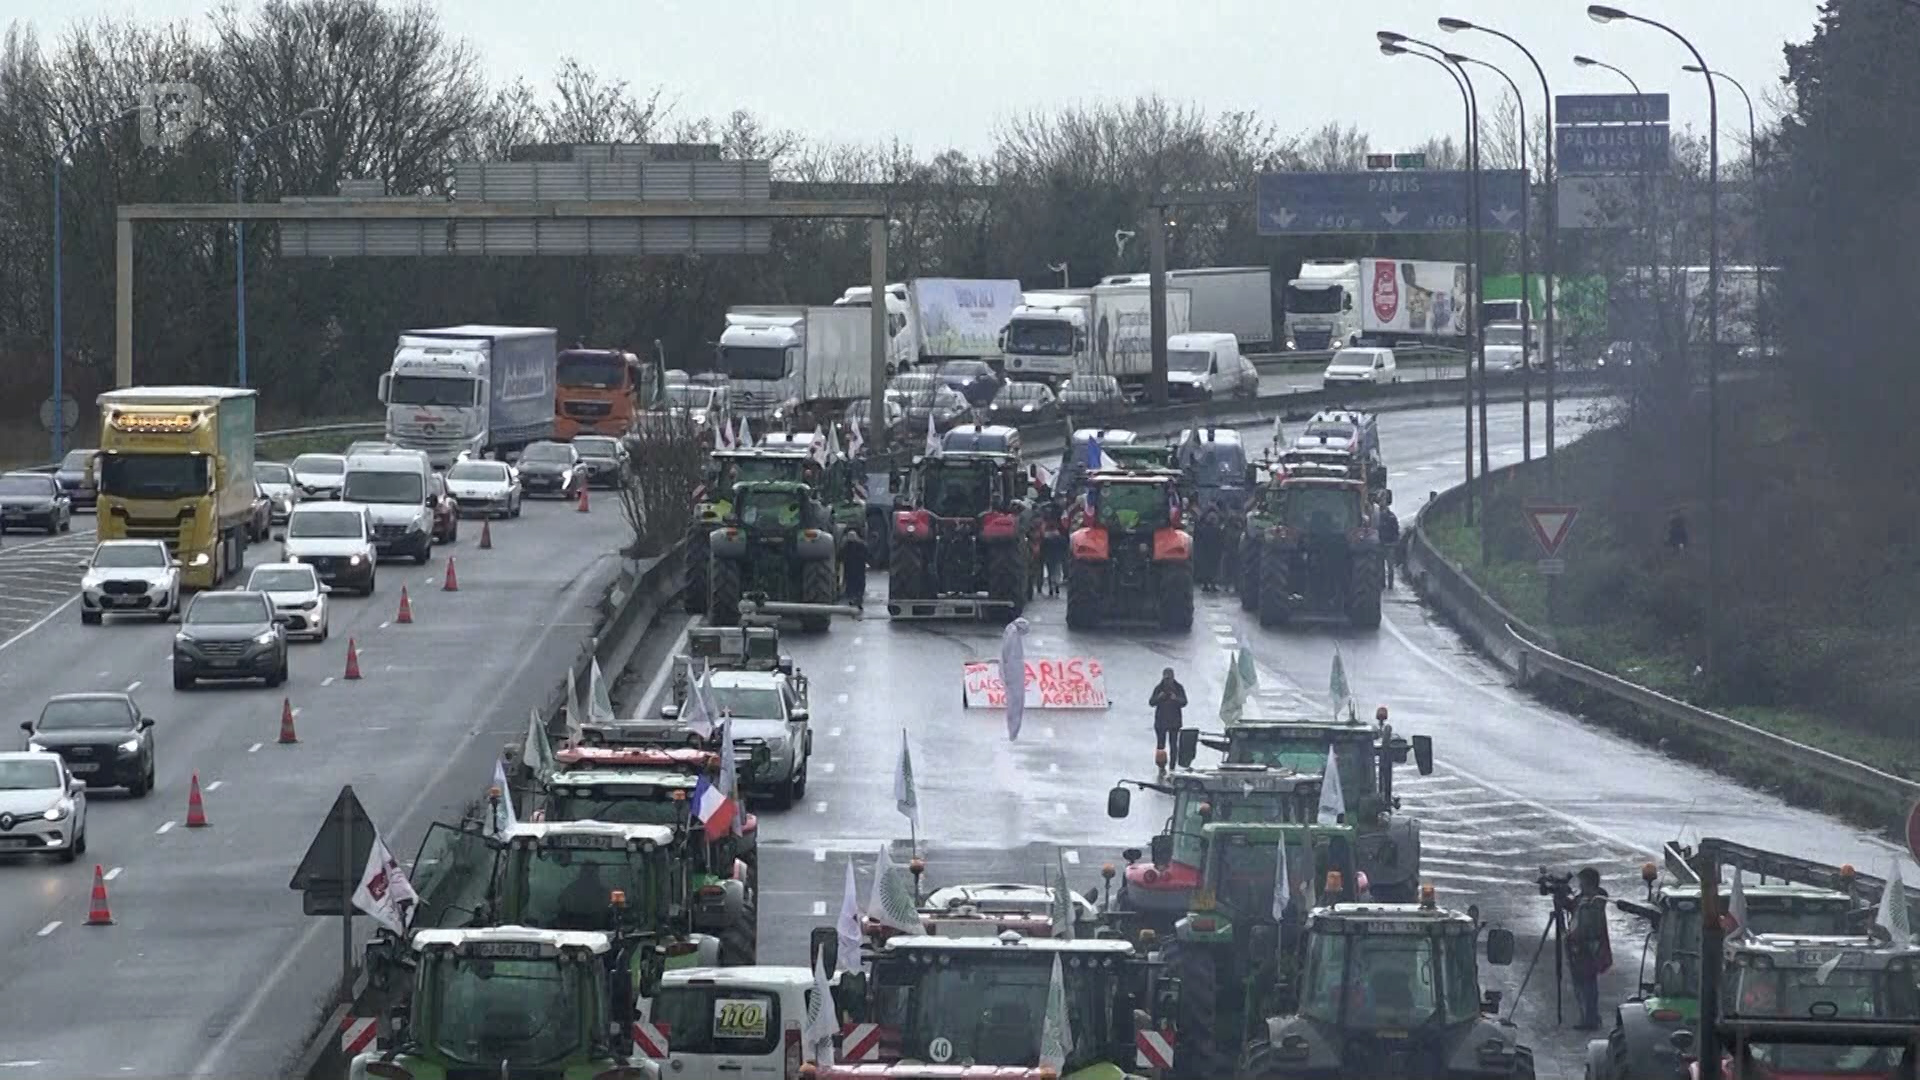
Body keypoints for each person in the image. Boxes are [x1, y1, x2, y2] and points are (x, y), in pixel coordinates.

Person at [1559, 867, 1613, 1030]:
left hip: (1588, 948)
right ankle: (1588, 1016)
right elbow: (1572, 907)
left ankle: (1590, 1018)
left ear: (1588, 883)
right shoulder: (1585, 899)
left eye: (1582, 882)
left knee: (1588, 983)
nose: (1580, 885)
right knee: (1584, 983)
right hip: (1582, 947)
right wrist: (1562, 897)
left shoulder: (1594, 901)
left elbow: (1588, 923)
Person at [1148, 668, 1187, 773]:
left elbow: (1184, 702)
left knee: (1173, 745)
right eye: (1166, 679)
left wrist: (1176, 698)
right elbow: (1151, 702)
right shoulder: (1159, 688)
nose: (1167, 681)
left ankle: (1172, 766)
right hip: (1161, 722)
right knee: (1161, 746)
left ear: (1173, 677)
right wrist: (1159, 697)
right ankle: (1161, 766)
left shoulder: (1179, 688)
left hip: (1174, 722)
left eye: (1169, 679)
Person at [1040, 501, 1069, 597]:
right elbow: (1064, 545)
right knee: (1057, 569)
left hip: (1048, 555)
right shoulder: (1060, 537)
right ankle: (1056, 586)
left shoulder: (1045, 537)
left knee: (1050, 569)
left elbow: (1042, 546)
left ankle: (1051, 587)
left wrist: (1042, 554)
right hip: (1057, 555)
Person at [1376, 494, 1401, 589]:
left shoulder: (1391, 516)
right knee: (1380, 566)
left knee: (1390, 567)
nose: (1382, 502)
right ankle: (1382, 584)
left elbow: (1396, 530)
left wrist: (1395, 542)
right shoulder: (1376, 515)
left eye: (1383, 500)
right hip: (1380, 544)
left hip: (1389, 544)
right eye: (1380, 500)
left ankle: (1390, 584)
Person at [841, 530, 867, 608]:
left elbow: (840, 556)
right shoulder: (862, 545)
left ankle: (854, 598)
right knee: (857, 584)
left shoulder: (846, 545)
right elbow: (867, 555)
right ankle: (857, 598)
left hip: (852, 570)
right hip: (857, 570)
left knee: (852, 584)